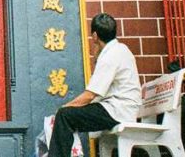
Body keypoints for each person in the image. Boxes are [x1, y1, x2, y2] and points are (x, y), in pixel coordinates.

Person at [48, 13, 141, 157]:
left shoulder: (110, 56)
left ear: (95, 36)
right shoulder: (119, 49)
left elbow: (90, 95)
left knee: (64, 116)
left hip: (118, 110)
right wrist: (97, 53)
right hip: (121, 108)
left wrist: (64, 107)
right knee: (67, 115)